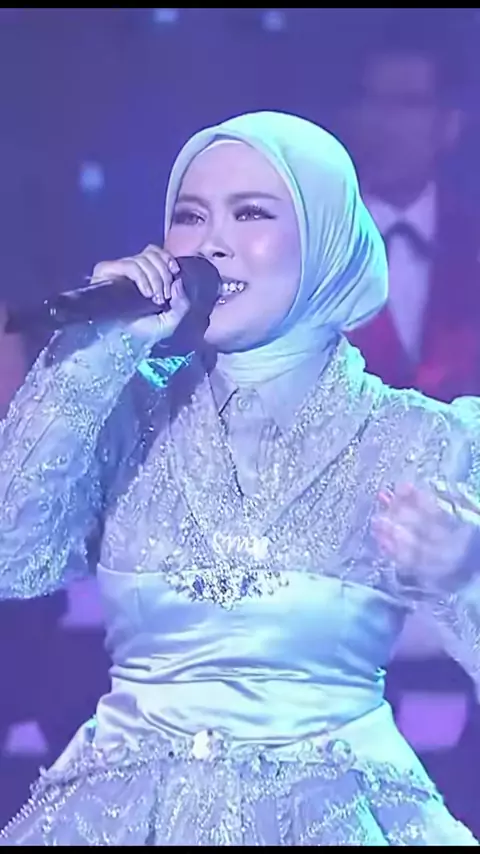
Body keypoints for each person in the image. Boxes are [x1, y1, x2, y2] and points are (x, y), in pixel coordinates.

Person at [0, 110, 479, 846]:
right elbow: (12, 559)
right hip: (117, 816)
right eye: (189, 217)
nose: (210, 243)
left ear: (324, 235)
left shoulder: (416, 439)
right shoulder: (120, 410)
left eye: (250, 213)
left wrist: (466, 571)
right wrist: (97, 351)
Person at [342, 18, 480, 402]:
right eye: (372, 101)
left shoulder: (472, 237)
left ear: (449, 123)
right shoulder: (318, 244)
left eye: (407, 104)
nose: (384, 124)